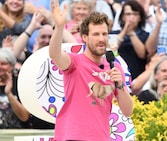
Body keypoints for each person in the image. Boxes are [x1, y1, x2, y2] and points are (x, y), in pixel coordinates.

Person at [49, 0, 133, 140]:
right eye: (96, 34)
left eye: (104, 34)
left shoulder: (114, 67)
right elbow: (54, 54)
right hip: (73, 136)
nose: (101, 39)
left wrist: (120, 85)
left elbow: (128, 111)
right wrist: (59, 28)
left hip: (101, 137)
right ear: (85, 38)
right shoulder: (75, 61)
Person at [112, 0, 149, 80]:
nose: (131, 18)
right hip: (116, 75)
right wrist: (125, 30)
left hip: (137, 76)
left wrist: (131, 33)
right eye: (128, 14)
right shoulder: (114, 34)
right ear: (122, 16)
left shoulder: (145, 35)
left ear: (140, 17)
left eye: (135, 14)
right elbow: (112, 48)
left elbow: (142, 54)